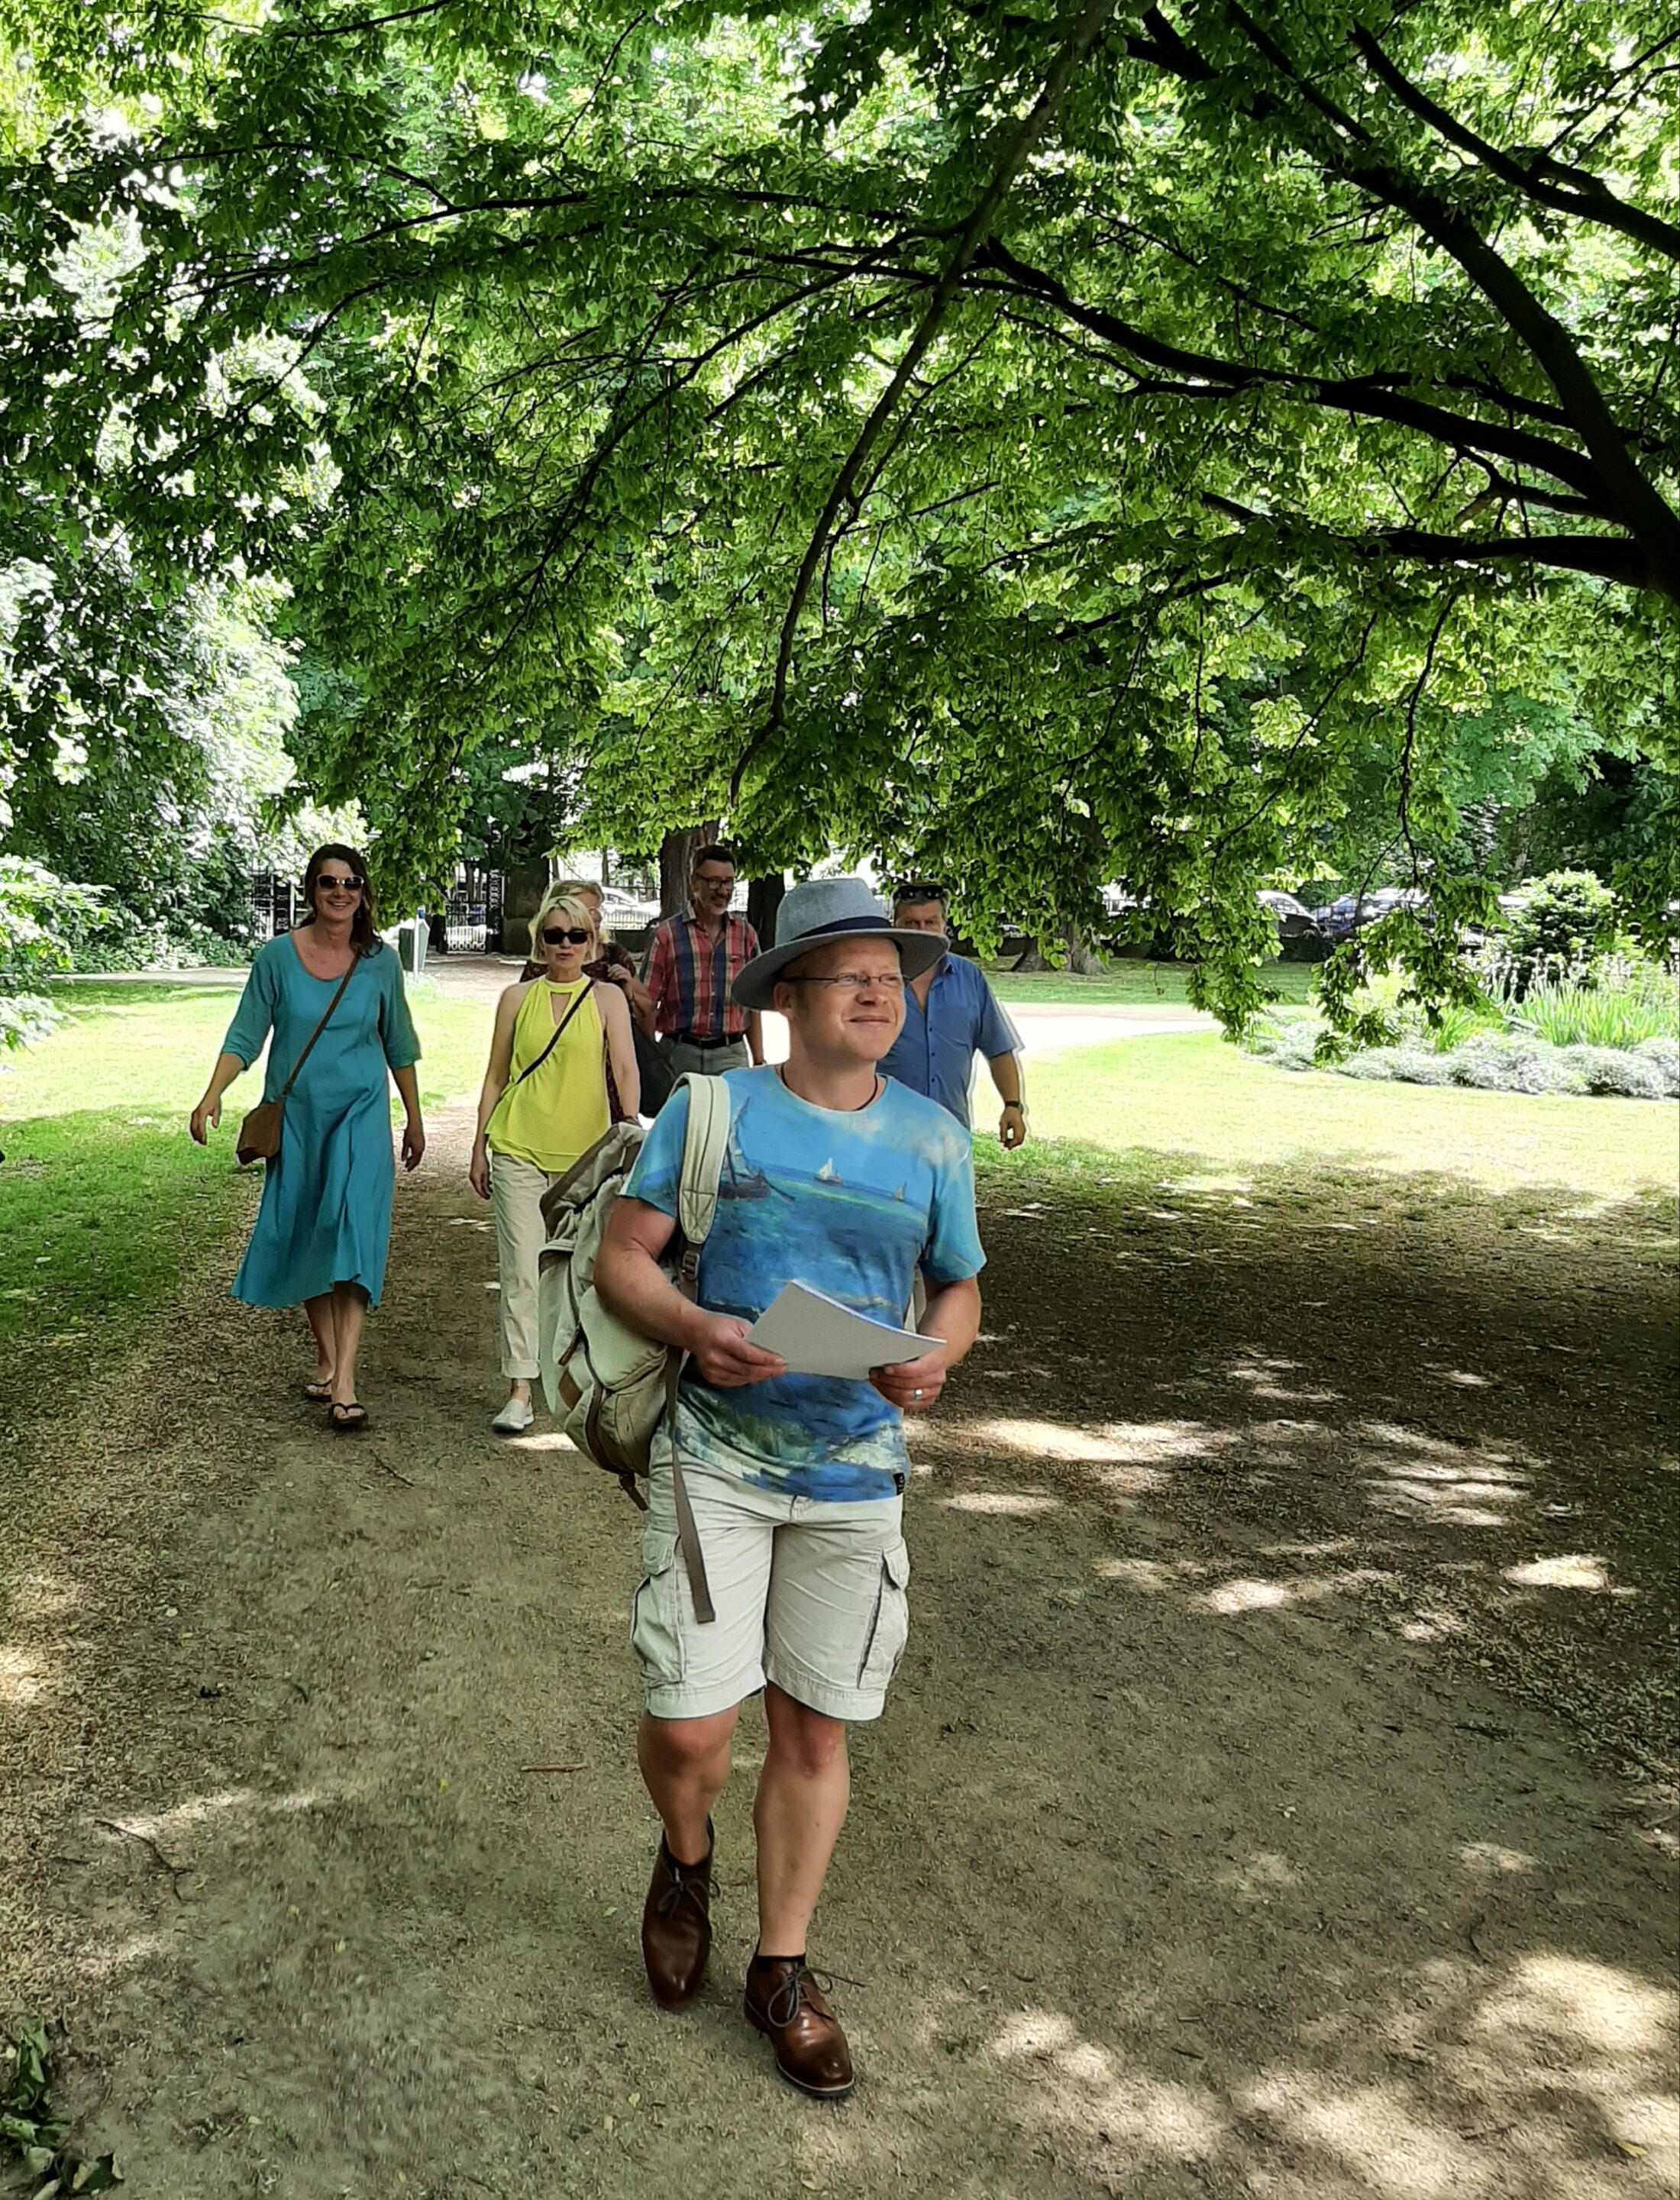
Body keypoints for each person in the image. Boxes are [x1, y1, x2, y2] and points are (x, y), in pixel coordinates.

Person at [595, 877, 985, 2098]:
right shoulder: (716, 1111)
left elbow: (958, 1285)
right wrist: (696, 1323)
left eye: (895, 974)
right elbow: (622, 1259)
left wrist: (939, 1355)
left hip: (857, 1477)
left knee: (814, 1727)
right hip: (716, 1458)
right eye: (851, 972)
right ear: (793, 997)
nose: (880, 992)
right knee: (692, 1726)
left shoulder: (934, 1139)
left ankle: (780, 1968)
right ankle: (684, 1854)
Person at [189, 845, 425, 1432]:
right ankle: (326, 1353)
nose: (339, 892)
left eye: (350, 882)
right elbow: (246, 1032)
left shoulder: (380, 963)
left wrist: (415, 1118)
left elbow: (400, 1044)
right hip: (299, 1119)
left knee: (351, 1231)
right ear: (311, 890)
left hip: (362, 1117)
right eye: (327, 882)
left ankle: (345, 1379)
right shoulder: (277, 958)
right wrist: (212, 1092)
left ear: (363, 891)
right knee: (307, 1233)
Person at [470, 885, 641, 1435]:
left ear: (592, 942)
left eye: (576, 935)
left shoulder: (608, 999)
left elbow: (625, 1070)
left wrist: (631, 1129)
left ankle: (579, 1376)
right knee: (521, 1270)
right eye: (554, 935)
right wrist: (479, 1143)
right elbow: (496, 1075)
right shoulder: (516, 999)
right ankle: (519, 1387)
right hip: (518, 1142)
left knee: (578, 1270)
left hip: (585, 1156)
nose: (565, 945)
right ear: (539, 940)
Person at [878, 884, 1029, 1149]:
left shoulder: (970, 978)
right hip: (883, 1135)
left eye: (930, 922)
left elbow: (999, 1049)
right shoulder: (874, 980)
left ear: (944, 925)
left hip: (951, 1136)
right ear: (895, 924)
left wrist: (1012, 1106)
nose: (921, 931)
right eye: (911, 923)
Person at [641, 844, 764, 1077]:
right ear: (694, 882)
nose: (722, 891)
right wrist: (653, 1057)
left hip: (731, 1054)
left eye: (728, 882)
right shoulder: (666, 936)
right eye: (714, 882)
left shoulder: (746, 935)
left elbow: (753, 1005)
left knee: (733, 1115)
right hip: (679, 1053)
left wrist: (759, 1061)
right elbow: (645, 1003)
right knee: (683, 1115)